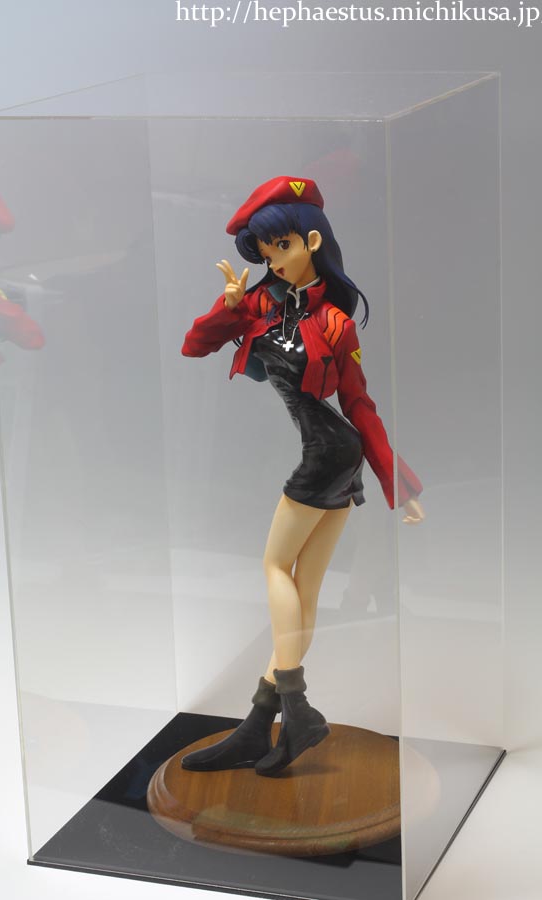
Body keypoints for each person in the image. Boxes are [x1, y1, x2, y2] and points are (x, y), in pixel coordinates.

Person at [180, 176, 424, 777]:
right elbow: (195, 345)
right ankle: (262, 724)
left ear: (312, 241)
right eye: (266, 253)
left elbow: (359, 405)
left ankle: (296, 705)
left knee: (274, 568)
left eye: (282, 247)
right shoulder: (260, 303)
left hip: (329, 452)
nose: (274, 262)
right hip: (330, 453)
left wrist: (398, 483)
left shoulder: (337, 322)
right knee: (305, 593)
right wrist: (228, 305)